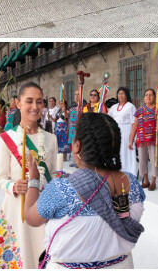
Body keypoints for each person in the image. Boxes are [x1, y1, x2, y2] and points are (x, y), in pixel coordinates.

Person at [24, 112, 145, 269]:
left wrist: (33, 180)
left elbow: (31, 218)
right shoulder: (131, 183)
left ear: (77, 146)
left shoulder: (61, 189)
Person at [0, 82, 58, 269]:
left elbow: (52, 174)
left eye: (39, 101)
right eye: (29, 101)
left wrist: (48, 184)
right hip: (16, 210)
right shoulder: (5, 139)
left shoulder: (51, 139)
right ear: (18, 103)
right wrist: (13, 186)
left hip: (42, 210)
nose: (35, 107)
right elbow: (0, 179)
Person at [129, 88, 158, 191]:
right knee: (142, 160)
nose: (148, 96)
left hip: (155, 139)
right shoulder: (139, 111)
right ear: (144, 98)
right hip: (142, 140)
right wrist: (131, 141)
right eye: (146, 95)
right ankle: (146, 180)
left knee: (155, 160)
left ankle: (153, 182)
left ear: (155, 97)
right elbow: (134, 126)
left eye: (151, 95)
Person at [106, 87, 137, 176]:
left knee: (126, 151)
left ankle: (128, 172)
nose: (120, 95)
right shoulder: (113, 107)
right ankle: (117, 170)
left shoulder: (130, 106)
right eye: (119, 93)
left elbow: (134, 123)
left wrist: (132, 138)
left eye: (123, 93)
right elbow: (109, 120)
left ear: (126, 95)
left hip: (127, 131)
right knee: (117, 151)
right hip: (115, 132)